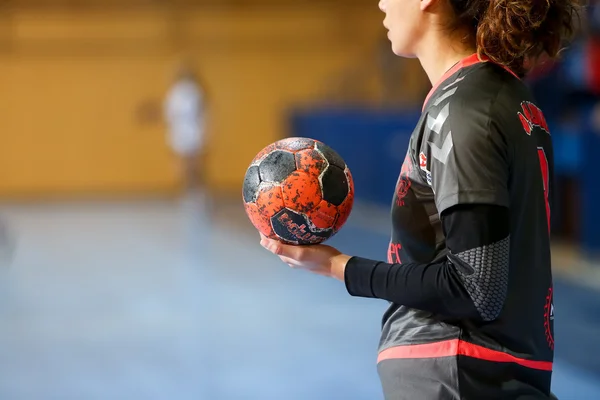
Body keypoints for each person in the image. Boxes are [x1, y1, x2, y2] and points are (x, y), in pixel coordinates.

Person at [260, 0, 579, 398]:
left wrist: (338, 266)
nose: (381, 3)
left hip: (461, 372)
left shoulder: (465, 107)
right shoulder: (499, 96)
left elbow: (476, 287)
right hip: (497, 369)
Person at [164, 63, 207, 191]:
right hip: (180, 134)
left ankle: (199, 194)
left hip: (194, 133)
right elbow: (170, 115)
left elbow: (201, 112)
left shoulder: (195, 91)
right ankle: (186, 194)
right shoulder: (175, 92)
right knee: (183, 169)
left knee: (196, 167)